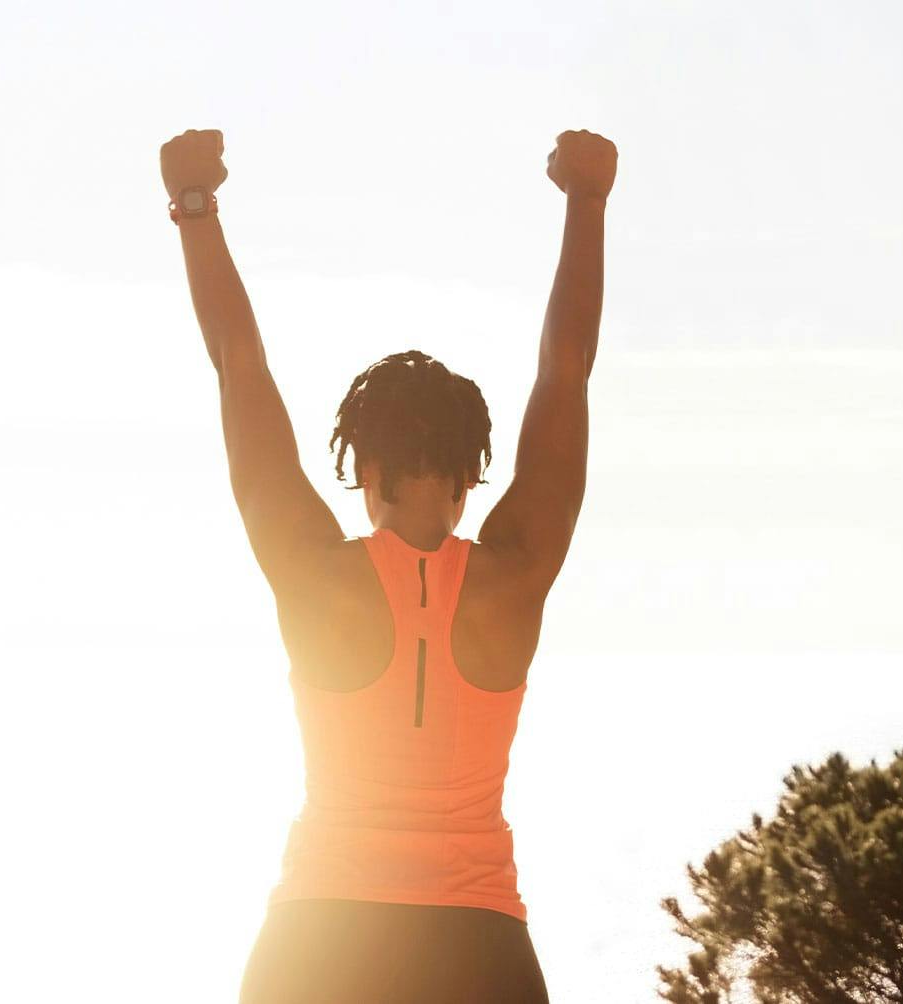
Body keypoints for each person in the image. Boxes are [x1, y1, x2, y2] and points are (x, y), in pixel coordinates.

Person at [161, 126, 616, 1003]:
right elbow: (568, 372)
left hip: (320, 938)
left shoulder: (313, 573)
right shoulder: (514, 575)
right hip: (478, 945)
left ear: (360, 467)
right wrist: (586, 202)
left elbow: (239, 371)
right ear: (474, 471)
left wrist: (195, 208)